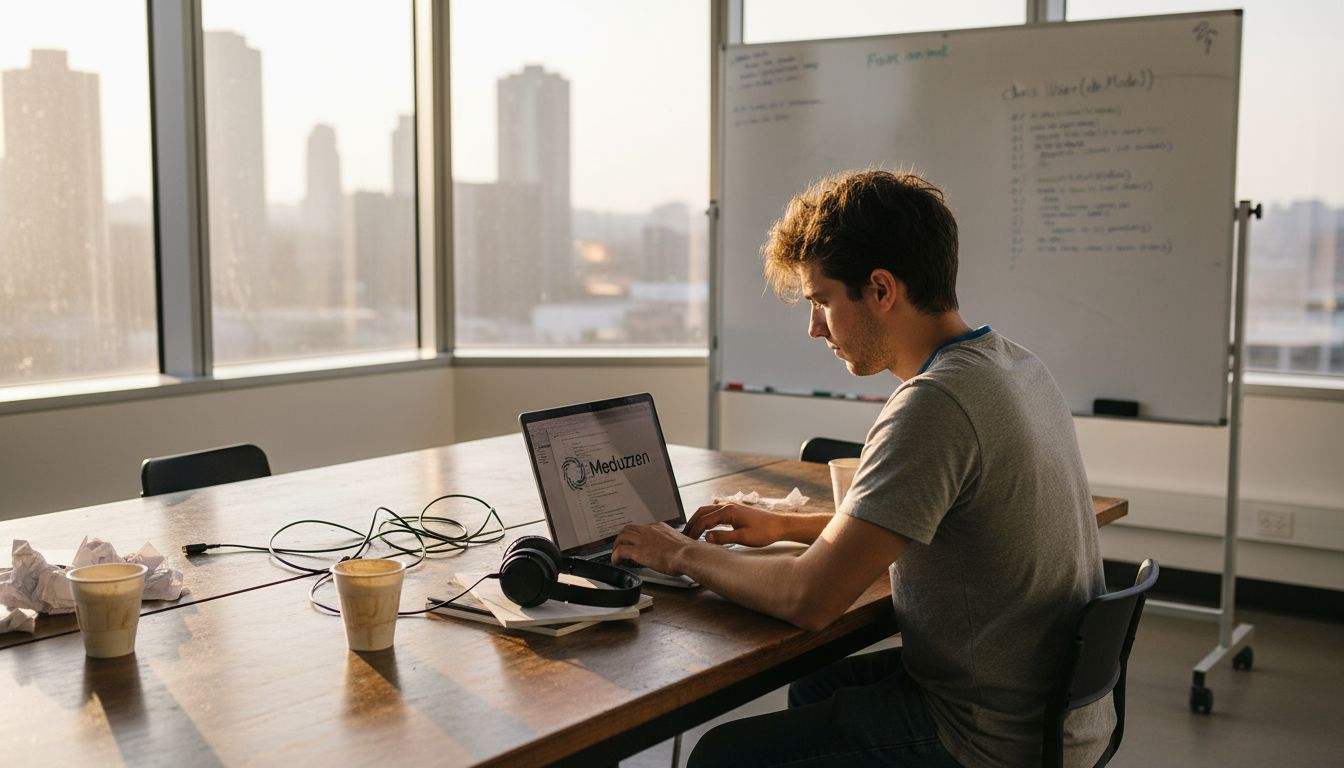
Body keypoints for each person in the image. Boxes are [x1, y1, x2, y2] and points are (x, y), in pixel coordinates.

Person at [610, 170, 1112, 767]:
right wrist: (790, 526)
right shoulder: (1014, 365)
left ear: (880, 289)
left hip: (992, 738)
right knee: (816, 687)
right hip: (1056, 708)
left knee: (722, 755)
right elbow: (945, 513)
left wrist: (676, 552)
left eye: (822, 301)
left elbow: (808, 599)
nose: (814, 327)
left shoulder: (936, 403)